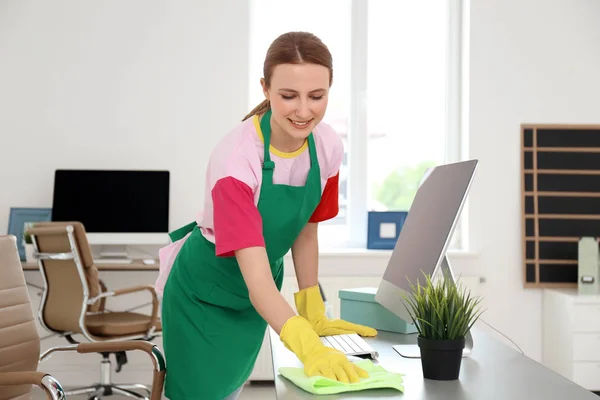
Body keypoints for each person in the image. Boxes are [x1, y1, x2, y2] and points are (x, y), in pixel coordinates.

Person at [156, 31, 377, 400]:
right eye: (288, 96)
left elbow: (306, 230)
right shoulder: (236, 162)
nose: (304, 111)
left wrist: (312, 309)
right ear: (266, 89)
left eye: (317, 96)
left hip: (256, 291)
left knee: (231, 390)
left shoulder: (328, 147)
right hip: (205, 293)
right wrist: (308, 346)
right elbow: (258, 281)